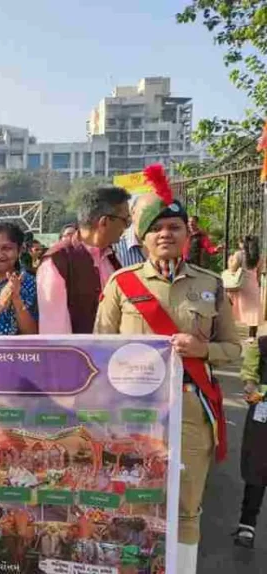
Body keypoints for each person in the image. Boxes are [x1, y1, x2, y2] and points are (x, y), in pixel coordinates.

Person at [94, 164, 240, 574]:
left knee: (186, 505)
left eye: (174, 226)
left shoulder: (210, 284)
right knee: (136, 500)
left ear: (187, 235)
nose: (166, 234)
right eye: (157, 228)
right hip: (134, 413)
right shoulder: (122, 285)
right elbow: (99, 349)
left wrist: (203, 349)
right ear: (142, 238)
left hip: (193, 409)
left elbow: (233, 347)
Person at [37, 185, 130, 334]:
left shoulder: (111, 257)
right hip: (77, 355)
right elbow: (55, 329)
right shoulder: (58, 260)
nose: (126, 227)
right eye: (125, 221)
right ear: (104, 222)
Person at [234, 334, 267, 548]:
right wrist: (251, 387)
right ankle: (247, 523)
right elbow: (249, 374)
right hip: (263, 413)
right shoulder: (262, 345)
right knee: (257, 467)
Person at [228, 236, 261, 338]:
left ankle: (231, 334)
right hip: (253, 286)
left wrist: (230, 260)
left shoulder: (239, 254)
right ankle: (252, 336)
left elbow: (232, 269)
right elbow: (259, 274)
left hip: (239, 285)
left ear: (244, 244)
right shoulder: (259, 257)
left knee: (233, 309)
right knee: (253, 311)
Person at [113, 194, 155, 267]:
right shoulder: (115, 249)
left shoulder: (170, 244)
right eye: (147, 213)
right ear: (132, 213)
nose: (152, 219)